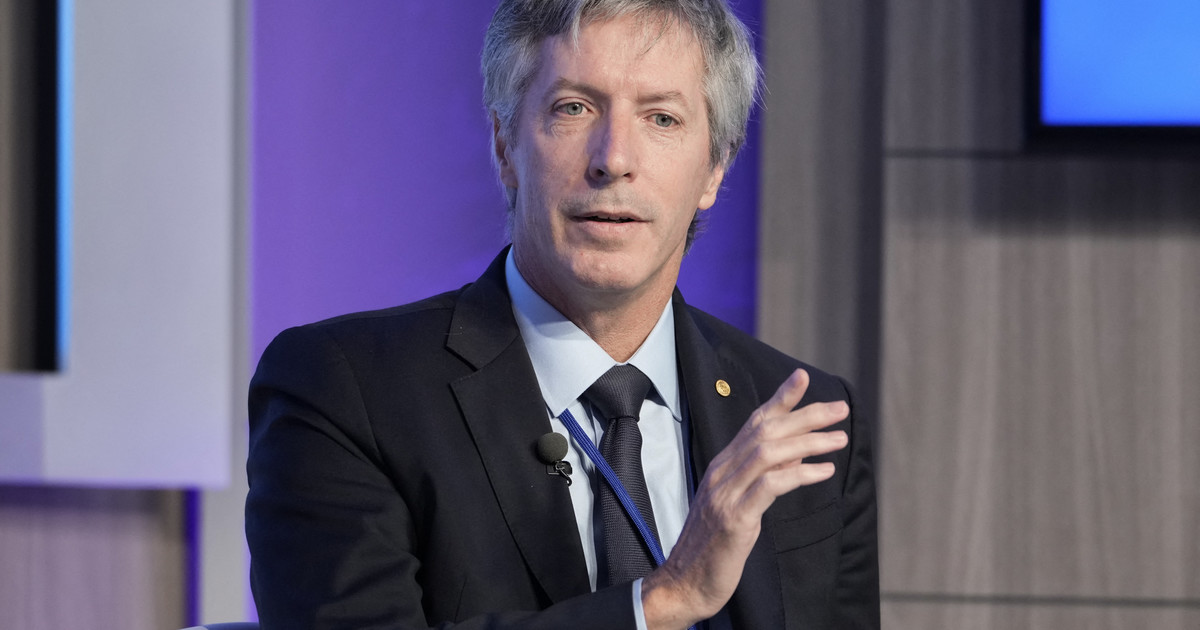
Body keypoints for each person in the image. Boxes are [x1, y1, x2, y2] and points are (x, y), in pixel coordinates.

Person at [245, 0, 879, 628]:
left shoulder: (805, 423)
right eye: (574, 108)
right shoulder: (346, 390)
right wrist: (662, 602)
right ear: (505, 145)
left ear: (714, 168)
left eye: (661, 118)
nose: (614, 159)